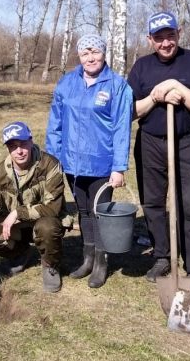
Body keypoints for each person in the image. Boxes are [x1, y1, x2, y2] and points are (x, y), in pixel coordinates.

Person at [127, 11, 190, 281]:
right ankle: (162, 256)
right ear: (149, 39)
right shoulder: (142, 67)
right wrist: (154, 97)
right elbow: (129, 112)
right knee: (152, 204)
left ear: (179, 33)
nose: (165, 43)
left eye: (170, 36)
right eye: (159, 38)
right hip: (151, 142)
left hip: (186, 143)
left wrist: (178, 88)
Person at [45, 34, 133, 288]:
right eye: (85, 53)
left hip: (101, 163)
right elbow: (56, 125)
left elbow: (121, 129)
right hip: (73, 163)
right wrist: (53, 159)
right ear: (79, 56)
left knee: (99, 213)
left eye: (95, 52)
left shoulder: (117, 86)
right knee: (83, 211)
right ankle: (87, 258)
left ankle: (101, 263)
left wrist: (118, 167)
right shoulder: (66, 84)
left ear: (104, 54)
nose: (90, 58)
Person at [0, 121, 69, 293]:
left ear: (31, 141)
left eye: (23, 144)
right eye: (13, 146)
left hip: (44, 221)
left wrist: (17, 213)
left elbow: (52, 208)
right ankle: (19, 254)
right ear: (7, 148)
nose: (19, 151)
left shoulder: (50, 165)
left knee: (48, 227)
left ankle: (50, 265)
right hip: (18, 228)